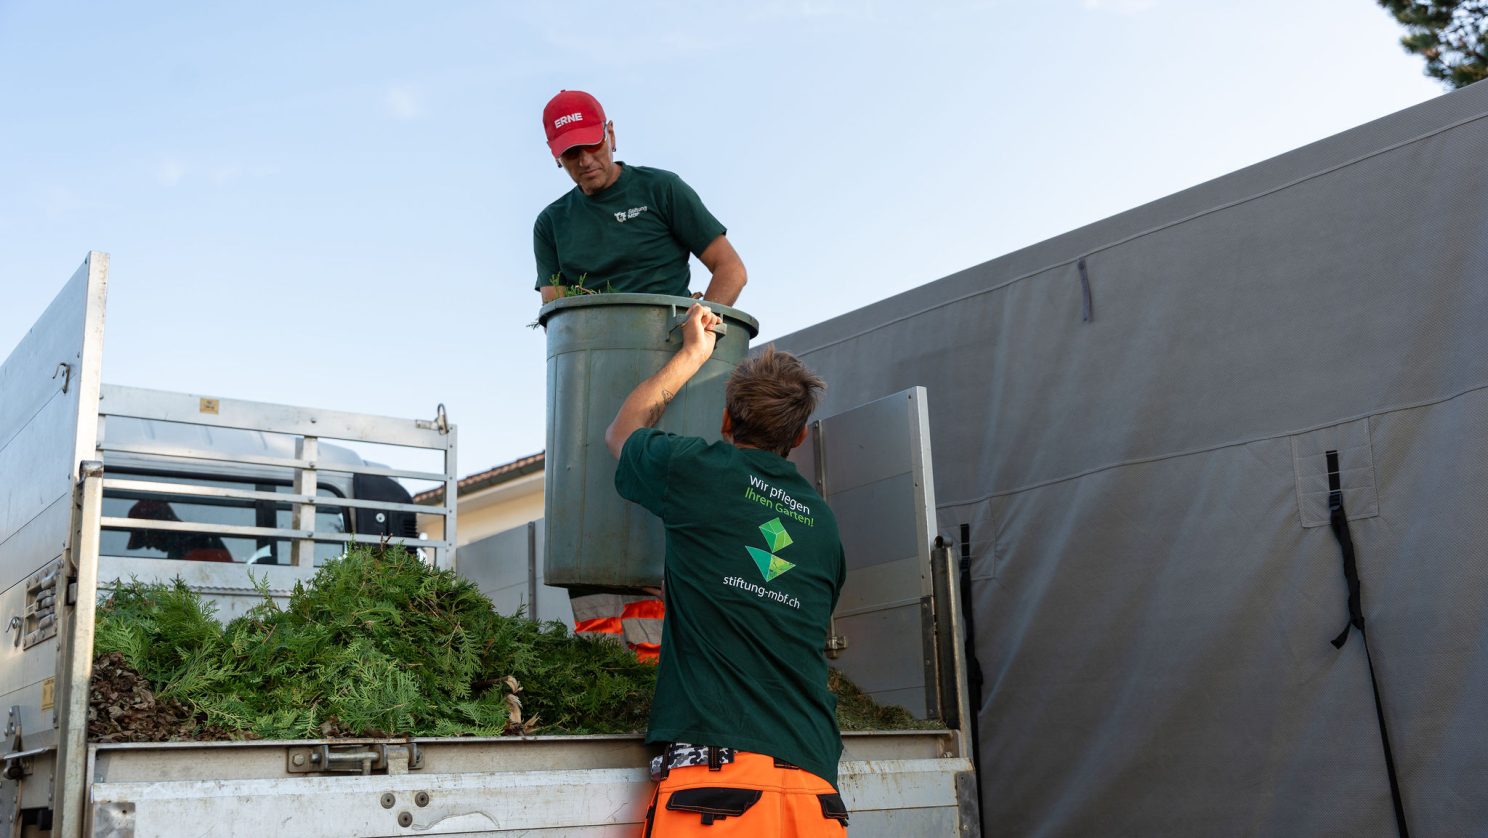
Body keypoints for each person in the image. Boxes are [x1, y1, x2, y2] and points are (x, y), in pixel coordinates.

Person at [606, 303, 849, 835]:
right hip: (816, 794)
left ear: (724, 420)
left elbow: (623, 431)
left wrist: (693, 353)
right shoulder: (825, 527)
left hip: (719, 793)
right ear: (799, 438)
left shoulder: (697, 471)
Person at [535, 89, 746, 305]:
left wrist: (702, 326)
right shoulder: (550, 224)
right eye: (572, 152)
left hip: (675, 333)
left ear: (611, 134)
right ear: (556, 156)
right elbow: (556, 313)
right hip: (595, 337)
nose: (586, 161)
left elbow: (731, 268)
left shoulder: (662, 188)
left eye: (593, 143)